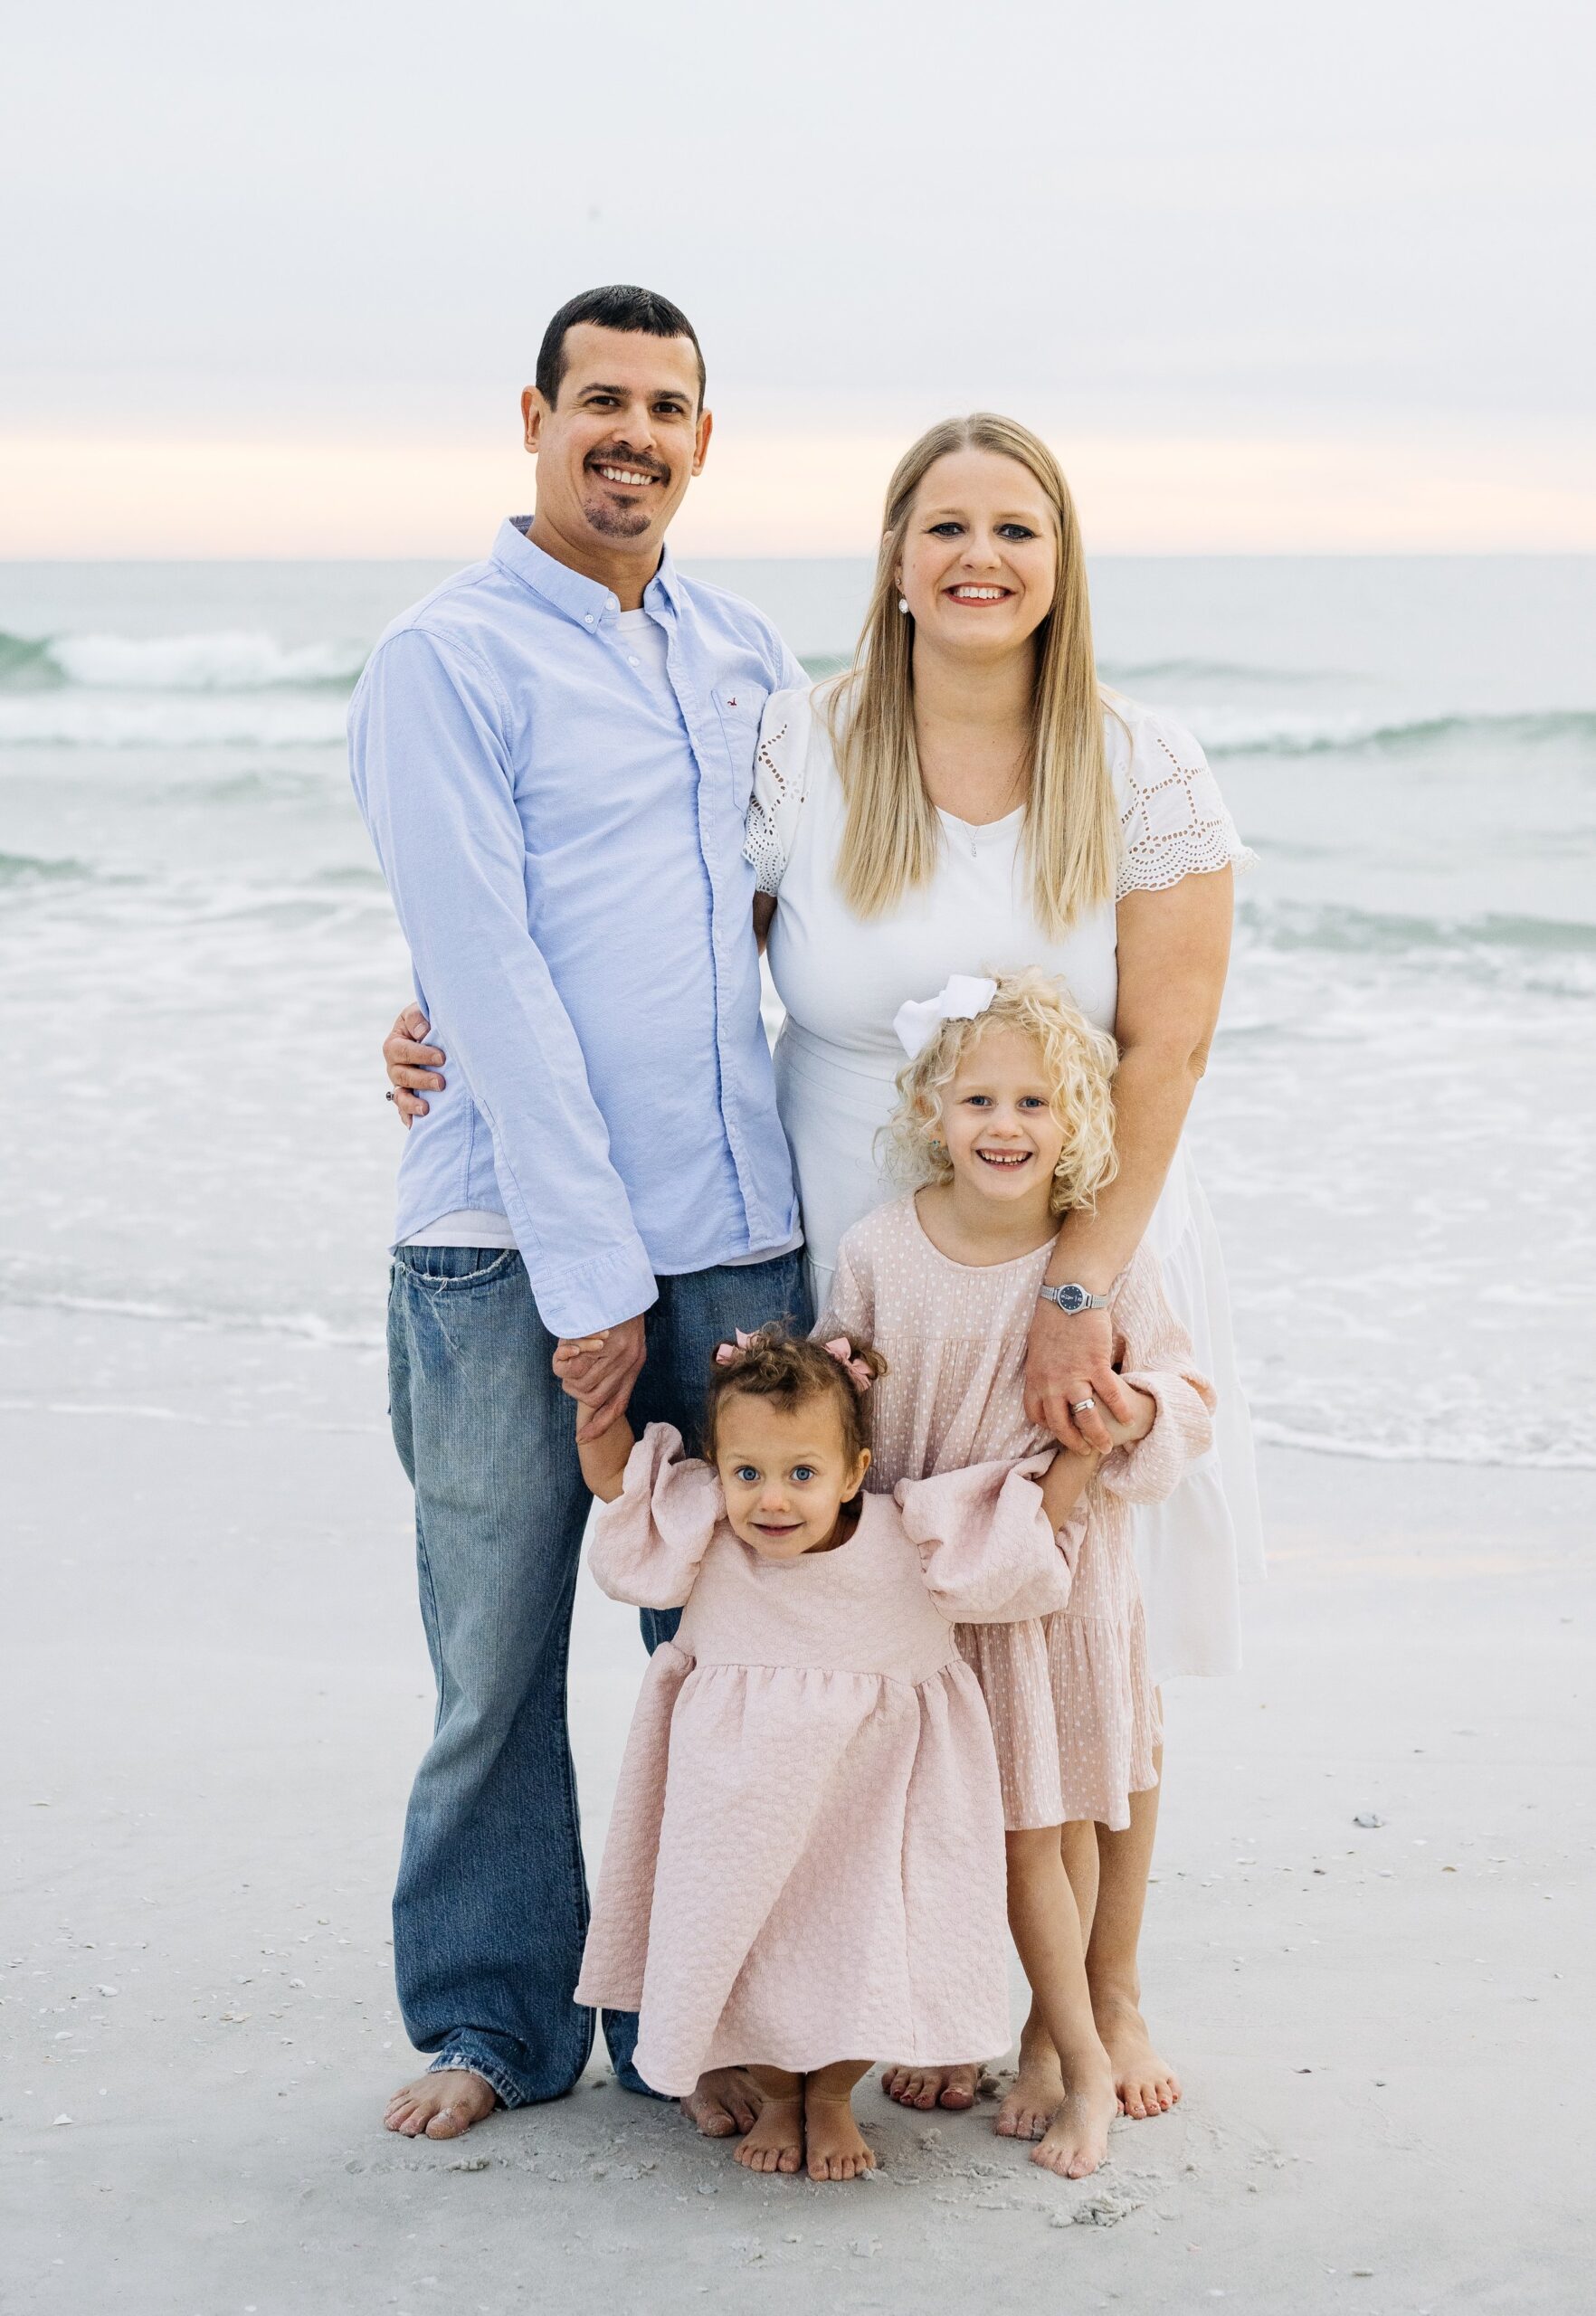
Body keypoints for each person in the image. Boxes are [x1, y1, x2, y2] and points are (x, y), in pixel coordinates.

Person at [741, 414, 1259, 2120]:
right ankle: (937, 1979)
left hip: (1081, 1243)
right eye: (946, 526)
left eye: (1015, 529)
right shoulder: (801, 747)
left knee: (1083, 1619)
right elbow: (671, 965)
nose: (980, 556)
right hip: (859, 1253)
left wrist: (1077, 1291)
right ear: (894, 557)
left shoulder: (1141, 763)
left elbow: (1168, 1048)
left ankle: (1098, 1999)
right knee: (903, 1630)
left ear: (1060, 562)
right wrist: (436, 1024)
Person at [349, 284, 811, 2143]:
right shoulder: (442, 659)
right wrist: (591, 1279)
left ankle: (703, 2013)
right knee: (495, 1654)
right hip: (504, 1248)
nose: (632, 433)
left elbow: (789, 913)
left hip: (739, 1225)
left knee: (730, 1653)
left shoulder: (747, 649)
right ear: (533, 415)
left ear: (705, 437)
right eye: (599, 399)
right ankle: (493, 2018)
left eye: (665, 406)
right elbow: (489, 971)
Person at [821, 970, 1216, 2168]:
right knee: (945, 1814)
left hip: (1064, 1584)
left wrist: (1131, 1413)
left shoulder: (1098, 1260)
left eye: (1036, 1103)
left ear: (1081, 1118)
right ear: (929, 1111)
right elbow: (843, 1408)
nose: (1005, 1125)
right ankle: (953, 2015)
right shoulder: (880, 1251)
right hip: (936, 1584)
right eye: (979, 1100)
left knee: (1061, 1802)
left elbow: (1186, 1393)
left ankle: (1056, 2031)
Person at [558, 1323, 1099, 2180]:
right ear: (716, 1469)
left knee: (862, 1954)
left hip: (866, 1813)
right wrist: (595, 1404)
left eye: (802, 1474)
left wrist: (1086, 1450)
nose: (772, 1500)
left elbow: (1022, 1530)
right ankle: (779, 2096)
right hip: (740, 1817)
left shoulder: (909, 1534)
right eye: (748, 1473)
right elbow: (622, 1485)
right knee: (742, 1956)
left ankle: (834, 2096)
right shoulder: (707, 1527)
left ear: (854, 1473)